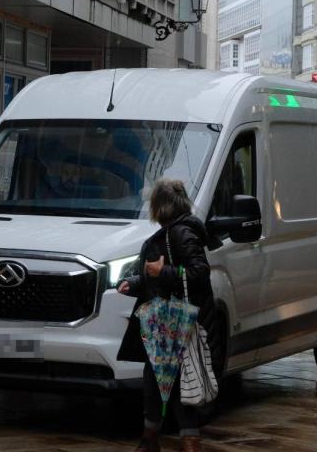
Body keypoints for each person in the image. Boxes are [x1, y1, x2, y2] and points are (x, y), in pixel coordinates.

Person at [117, 179, 213, 452]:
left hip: (174, 322)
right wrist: (135, 283)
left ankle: (181, 443)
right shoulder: (174, 232)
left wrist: (164, 272)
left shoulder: (181, 233)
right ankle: (153, 440)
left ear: (160, 207)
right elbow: (157, 278)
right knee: (159, 382)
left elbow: (199, 272)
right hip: (164, 322)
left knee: (173, 383)